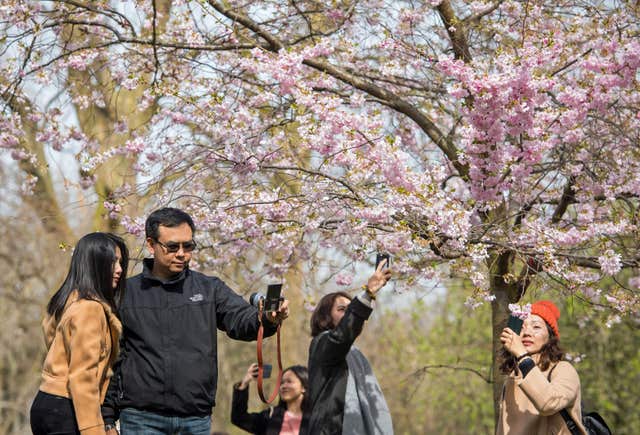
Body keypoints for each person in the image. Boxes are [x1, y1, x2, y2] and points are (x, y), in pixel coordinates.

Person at [101, 207, 290, 435]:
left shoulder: (210, 289)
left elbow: (241, 319)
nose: (182, 254)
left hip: (196, 418)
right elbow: (110, 358)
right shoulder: (126, 293)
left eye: (188, 246)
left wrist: (267, 319)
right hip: (141, 417)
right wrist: (107, 417)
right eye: (172, 247)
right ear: (151, 245)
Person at [30, 232, 129, 435]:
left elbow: (52, 340)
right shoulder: (90, 309)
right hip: (69, 409)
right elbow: (83, 376)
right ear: (95, 264)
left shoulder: (66, 300)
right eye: (112, 262)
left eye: (120, 262)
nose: (120, 270)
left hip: (46, 403)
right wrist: (94, 430)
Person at [307, 260, 393, 435]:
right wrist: (367, 295)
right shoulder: (322, 343)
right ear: (325, 316)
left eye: (350, 309)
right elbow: (341, 337)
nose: (348, 313)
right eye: (341, 309)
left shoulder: (355, 354)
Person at [497, 300, 587, 435]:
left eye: (536, 327)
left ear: (550, 336)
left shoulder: (562, 370)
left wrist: (522, 356)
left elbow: (548, 403)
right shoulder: (511, 379)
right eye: (521, 327)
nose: (527, 332)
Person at [231, 363, 310, 434]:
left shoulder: (315, 419)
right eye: (282, 383)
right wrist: (244, 383)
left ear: (304, 387)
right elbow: (239, 418)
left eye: (289, 382)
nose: (284, 386)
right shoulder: (271, 416)